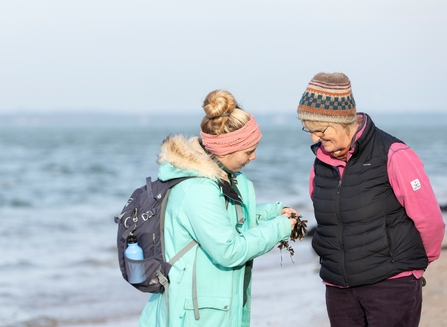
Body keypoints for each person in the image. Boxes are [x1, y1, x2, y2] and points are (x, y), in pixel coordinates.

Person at [139, 89, 299, 327]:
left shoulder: (225, 178)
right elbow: (228, 250)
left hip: (212, 309)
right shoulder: (197, 190)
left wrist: (273, 213)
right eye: (248, 150)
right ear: (226, 149)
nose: (254, 157)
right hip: (194, 317)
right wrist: (280, 228)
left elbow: (230, 220)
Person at [296, 72, 446, 327]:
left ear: (340, 120)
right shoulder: (319, 162)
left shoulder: (394, 154)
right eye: (308, 129)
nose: (314, 138)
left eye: (319, 129)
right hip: (339, 290)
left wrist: (416, 267)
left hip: (391, 285)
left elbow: (429, 220)